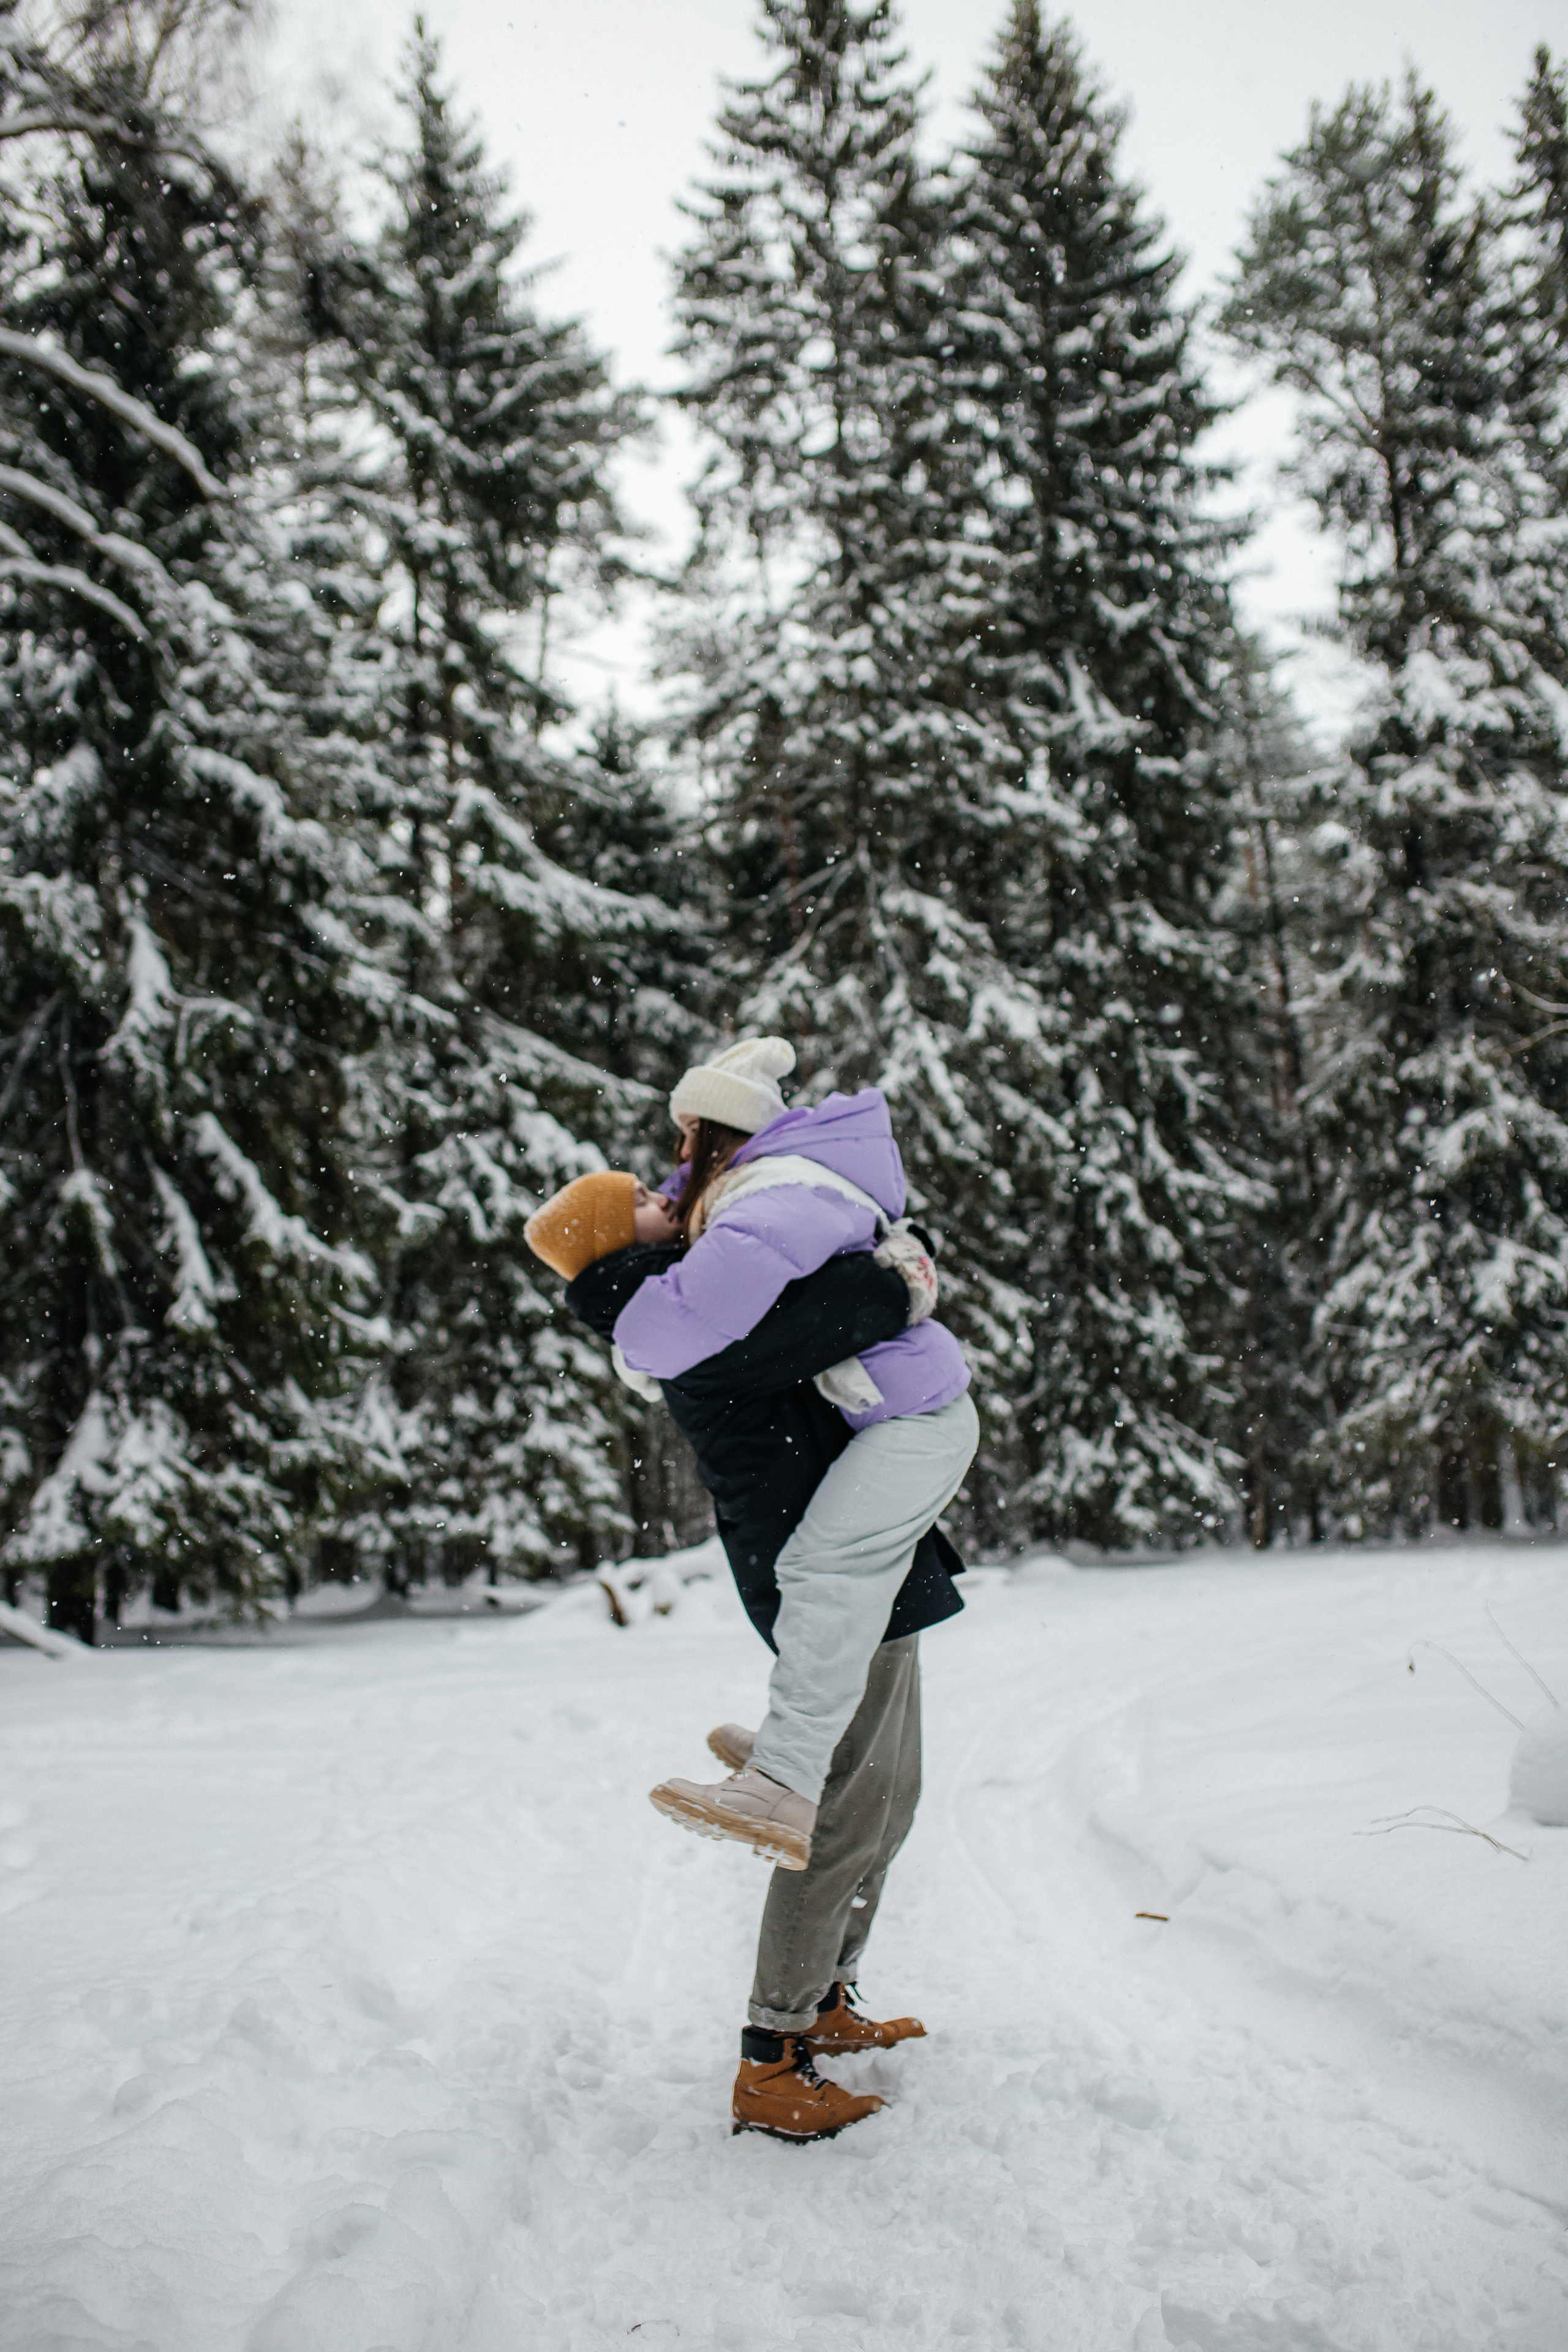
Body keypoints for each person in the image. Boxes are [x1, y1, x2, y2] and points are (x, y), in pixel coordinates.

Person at [609, 1038, 979, 1877]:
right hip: (903, 1415)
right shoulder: (777, 1186)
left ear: (721, 1134)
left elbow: (677, 1324)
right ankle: (795, 1742)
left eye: (688, 1133)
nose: (676, 1156)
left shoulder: (774, 1193)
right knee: (817, 1569)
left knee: (825, 1569)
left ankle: (785, 1777)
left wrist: (630, 1337)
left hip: (915, 1424)